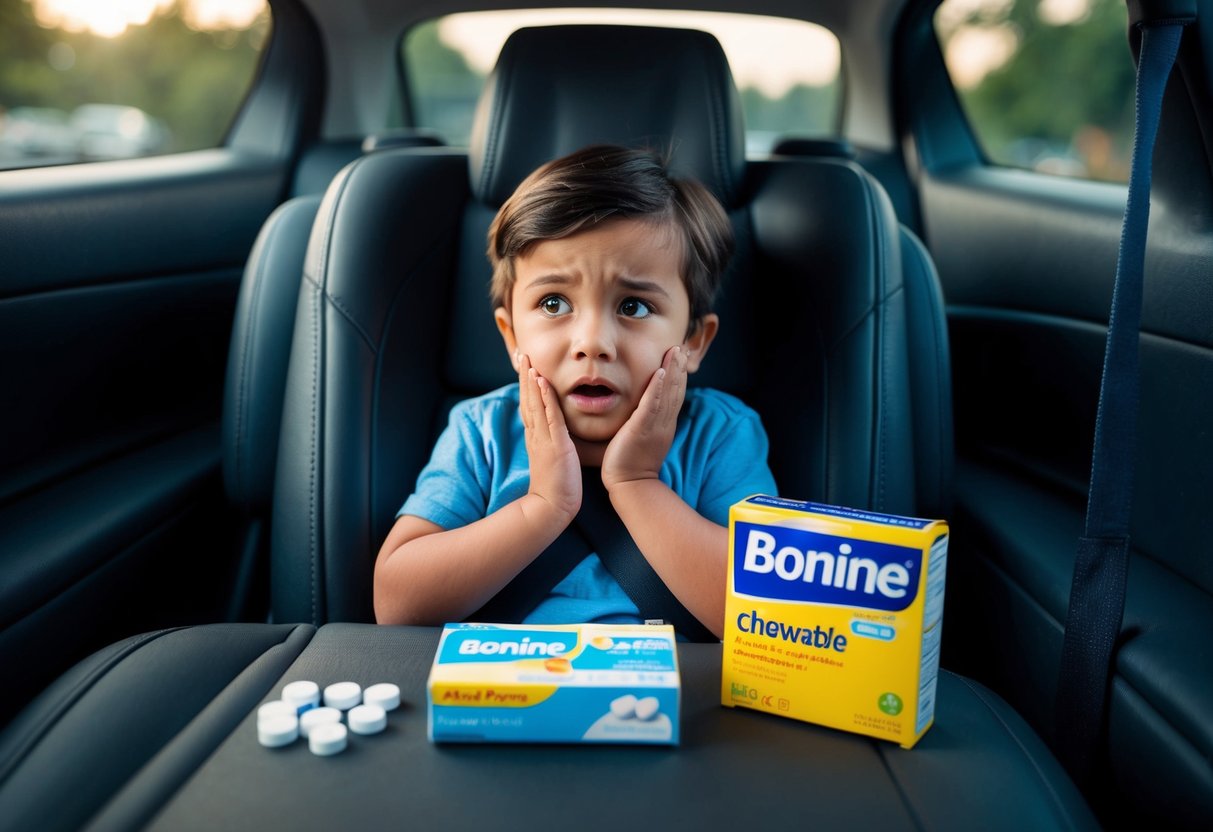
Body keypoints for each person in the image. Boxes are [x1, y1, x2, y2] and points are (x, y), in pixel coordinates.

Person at [373, 145, 776, 638]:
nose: (592, 343)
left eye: (634, 307)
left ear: (693, 341)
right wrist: (542, 506)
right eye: (554, 301)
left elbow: (767, 615)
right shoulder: (483, 432)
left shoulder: (719, 435)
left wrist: (638, 485)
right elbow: (395, 602)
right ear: (511, 335)